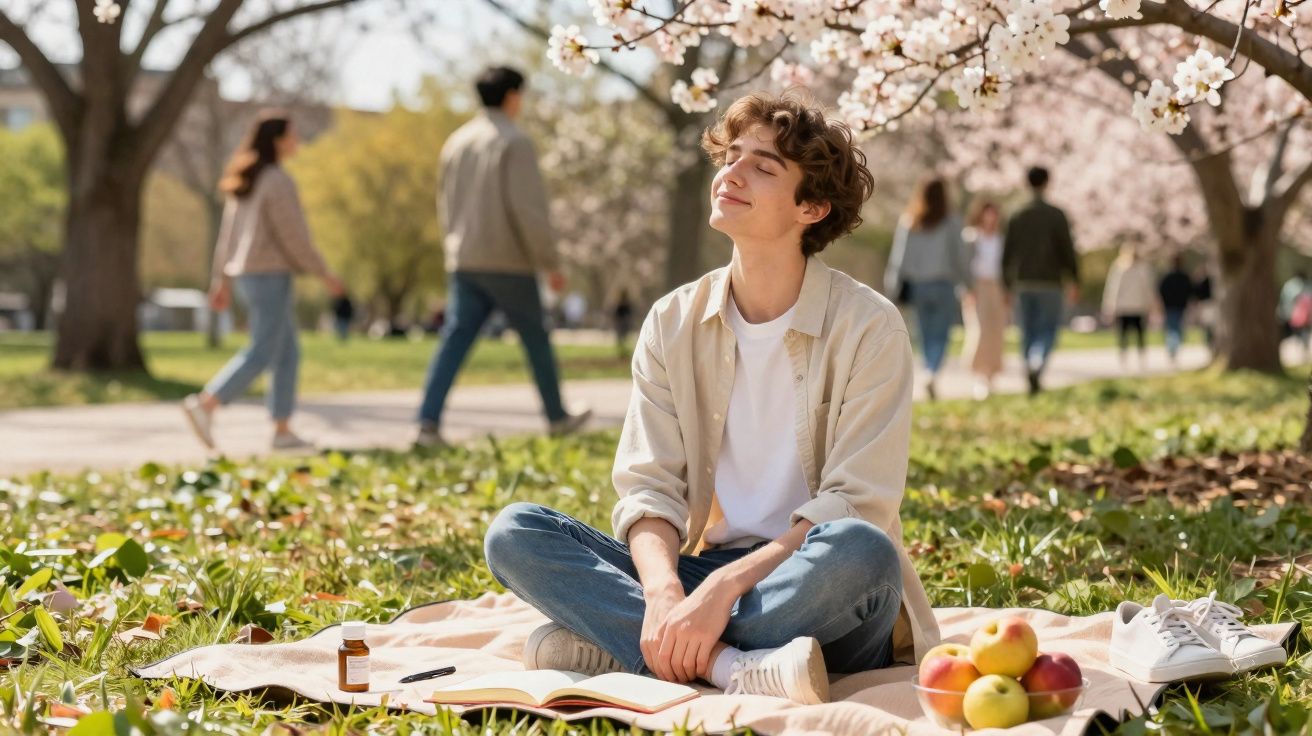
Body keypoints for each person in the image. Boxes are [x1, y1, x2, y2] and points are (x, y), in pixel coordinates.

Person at [483, 91, 939, 705]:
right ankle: (731, 665)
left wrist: (722, 591)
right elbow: (650, 488)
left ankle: (625, 645)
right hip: (701, 576)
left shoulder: (869, 327)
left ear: (812, 206)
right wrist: (667, 594)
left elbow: (857, 505)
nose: (732, 173)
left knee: (862, 552)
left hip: (815, 583)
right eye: (732, 156)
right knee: (516, 531)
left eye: (763, 166)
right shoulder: (672, 321)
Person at [415, 66, 591, 448]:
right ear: (512, 96)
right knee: (535, 339)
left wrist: (453, 248)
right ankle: (557, 418)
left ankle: (427, 424)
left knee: (454, 340)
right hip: (508, 260)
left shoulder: (456, 142)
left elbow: (445, 205)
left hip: (464, 259)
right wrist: (549, 261)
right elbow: (527, 210)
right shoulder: (515, 142)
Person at [181, 112, 343, 452]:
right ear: (277, 140)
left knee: (287, 353)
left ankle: (282, 429)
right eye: (293, 135)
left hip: (247, 276)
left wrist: (220, 281)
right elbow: (294, 237)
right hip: (269, 274)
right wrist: (324, 273)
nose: (297, 141)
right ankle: (207, 404)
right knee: (263, 349)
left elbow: (227, 238)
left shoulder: (246, 179)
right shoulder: (277, 181)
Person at [884, 178, 970, 400]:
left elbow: (898, 258)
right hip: (943, 285)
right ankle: (932, 370)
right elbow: (960, 256)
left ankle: (926, 370)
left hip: (918, 287)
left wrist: (892, 286)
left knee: (923, 332)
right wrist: (968, 283)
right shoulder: (951, 222)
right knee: (940, 334)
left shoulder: (910, 221)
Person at [1001, 166, 1079, 395]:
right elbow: (1067, 249)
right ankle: (1037, 363)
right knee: (1047, 329)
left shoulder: (1016, 214)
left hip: (1023, 282)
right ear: (1046, 183)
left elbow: (1007, 253)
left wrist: (1006, 284)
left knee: (1027, 329)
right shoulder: (1056, 214)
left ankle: (1029, 365)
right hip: (1051, 282)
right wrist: (1074, 279)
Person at [962, 199, 1007, 399]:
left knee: (996, 331)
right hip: (977, 288)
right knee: (979, 330)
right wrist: (967, 289)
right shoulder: (971, 237)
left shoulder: (1001, 239)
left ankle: (991, 375)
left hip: (996, 287)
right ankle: (979, 374)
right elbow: (963, 265)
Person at [1101, 244, 1157, 370]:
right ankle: (1138, 358)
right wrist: (1152, 304)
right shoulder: (1139, 269)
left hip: (1126, 307)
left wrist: (1109, 306)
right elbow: (1148, 289)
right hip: (1137, 307)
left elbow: (1113, 289)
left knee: (1125, 334)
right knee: (1138, 334)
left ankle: (1125, 357)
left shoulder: (1120, 268)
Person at [1157, 254, 1193, 364]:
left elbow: (1161, 291)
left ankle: (1172, 349)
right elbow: (1190, 291)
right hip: (1178, 306)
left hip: (1171, 306)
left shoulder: (1168, 277)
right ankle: (1173, 349)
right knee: (1176, 328)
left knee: (1173, 328)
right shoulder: (1183, 276)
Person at [613, 289, 635, 359]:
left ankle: (623, 351)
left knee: (622, 338)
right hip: (622, 322)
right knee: (622, 338)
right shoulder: (621, 304)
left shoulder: (624, 304)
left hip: (622, 323)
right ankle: (622, 351)